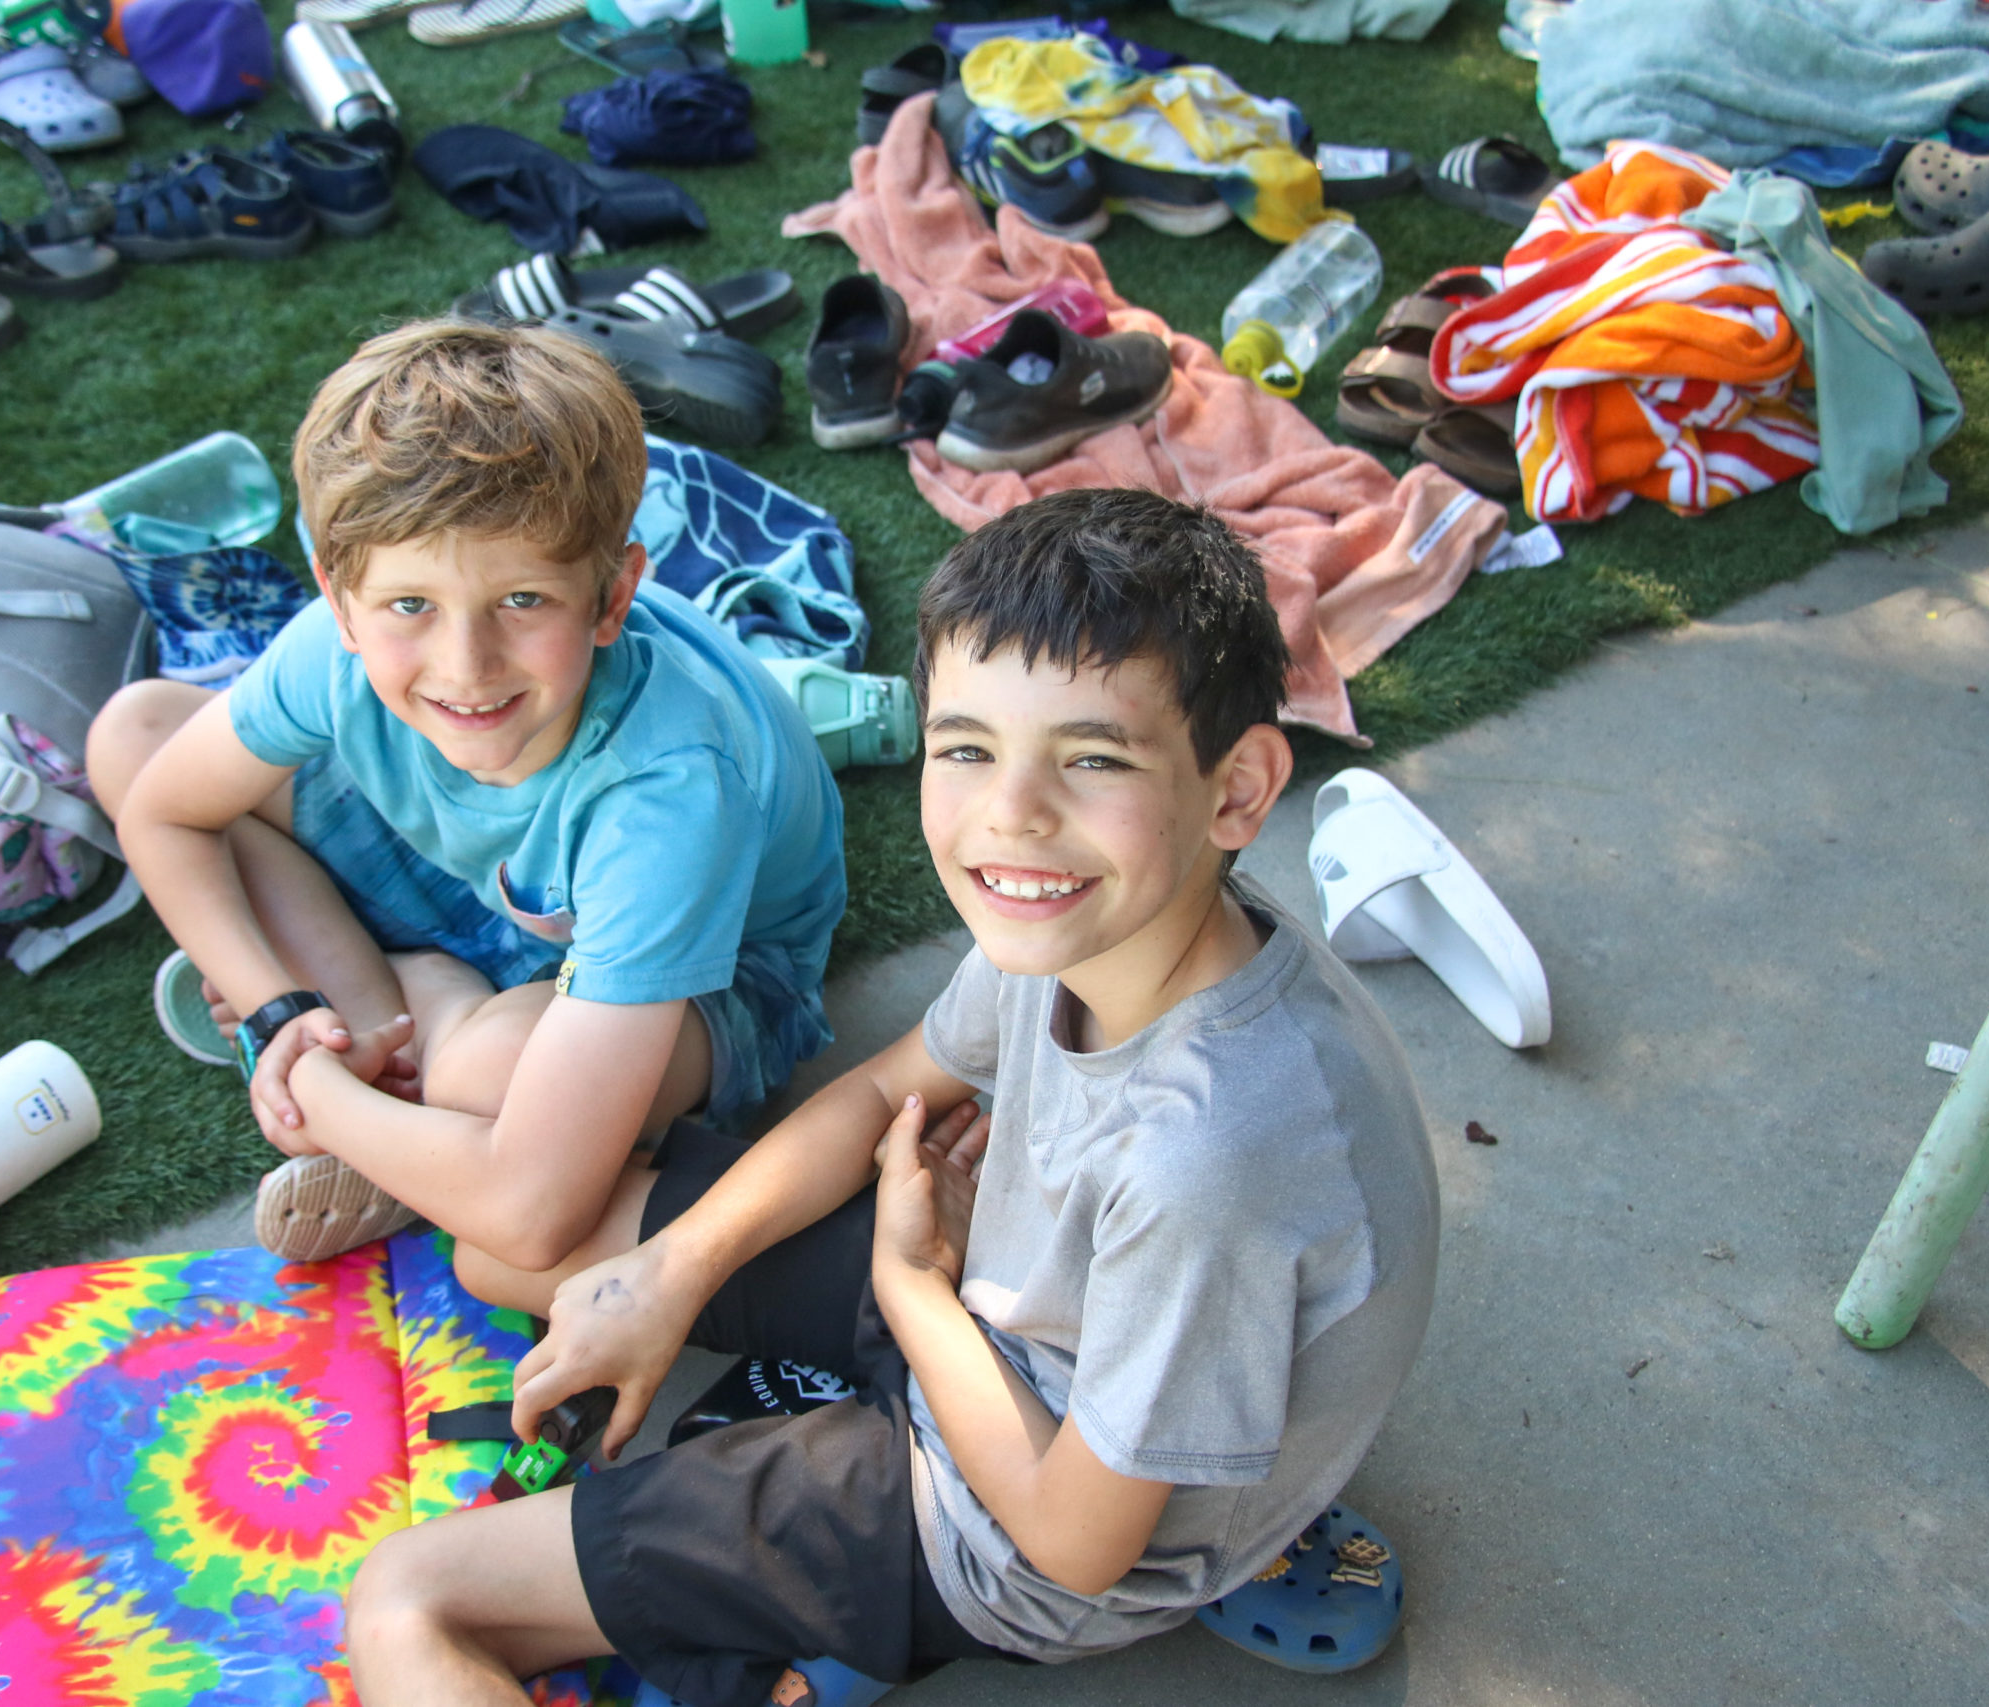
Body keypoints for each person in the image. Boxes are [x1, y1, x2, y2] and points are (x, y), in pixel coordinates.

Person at [335, 486, 1441, 1706]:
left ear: (1237, 789)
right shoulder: (1094, 920)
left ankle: (801, 1625)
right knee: (515, 1255)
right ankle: (758, 1609)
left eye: (1092, 759)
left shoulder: (1206, 1158)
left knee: (407, 1601)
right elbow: (876, 1093)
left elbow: (1075, 1546)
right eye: (967, 748)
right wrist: (671, 1276)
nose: (1010, 816)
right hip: (993, 1298)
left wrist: (913, 1291)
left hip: (1009, 1530)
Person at [86, 320, 846, 1274]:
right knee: (136, 732)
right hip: (479, 874)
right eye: (411, 606)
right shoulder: (337, 652)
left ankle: (415, 1054)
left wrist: (308, 1087)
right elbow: (165, 811)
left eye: (523, 601)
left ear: (612, 597)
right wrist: (275, 1007)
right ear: (339, 600)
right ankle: (395, 1038)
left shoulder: (668, 788)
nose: (465, 666)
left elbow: (534, 1217)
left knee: (486, 1079)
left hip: (717, 970)